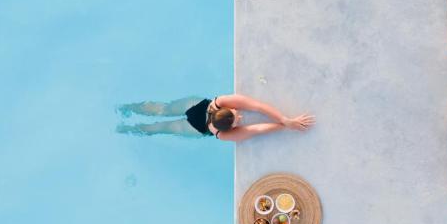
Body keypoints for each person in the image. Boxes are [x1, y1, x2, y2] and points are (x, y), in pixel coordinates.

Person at [116, 94, 314, 141]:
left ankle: (129, 111)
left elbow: (258, 106)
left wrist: (285, 120)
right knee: (160, 126)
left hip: (195, 106)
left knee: (164, 111)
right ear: (229, 127)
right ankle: (128, 125)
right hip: (195, 126)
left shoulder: (221, 102)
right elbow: (254, 130)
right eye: (238, 120)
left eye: (236, 114)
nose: (241, 115)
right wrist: (282, 125)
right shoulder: (220, 134)